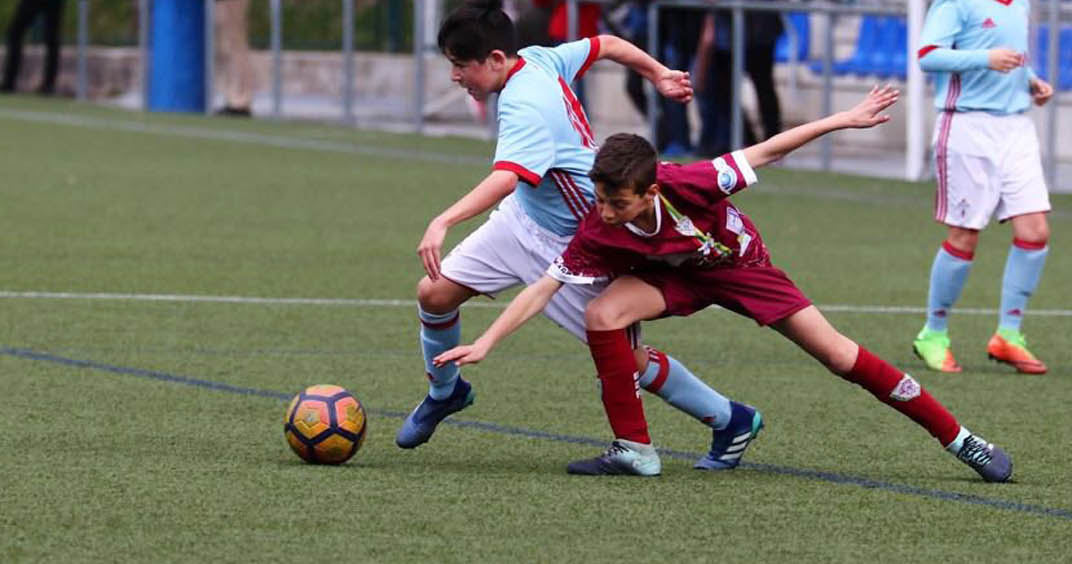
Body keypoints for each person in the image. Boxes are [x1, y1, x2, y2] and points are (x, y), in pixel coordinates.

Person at [434, 86, 1013, 482]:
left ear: (651, 190)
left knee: (839, 355)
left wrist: (843, 119)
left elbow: (770, 148)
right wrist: (488, 341)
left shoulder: (693, 181)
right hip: (673, 279)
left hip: (744, 272)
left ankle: (962, 439)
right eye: (602, 200)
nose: (605, 212)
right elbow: (544, 287)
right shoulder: (598, 228)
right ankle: (635, 450)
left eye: (617, 202)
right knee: (601, 314)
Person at [394, 0, 762, 471]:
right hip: (521, 219)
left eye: (461, 64)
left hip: (576, 244)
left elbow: (506, 176)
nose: (455, 76)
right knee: (435, 293)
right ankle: (446, 393)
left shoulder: (524, 105)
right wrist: (657, 74)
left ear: (497, 59)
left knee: (627, 360)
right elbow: (606, 43)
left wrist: (442, 220)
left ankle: (730, 418)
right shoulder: (538, 60)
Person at [910, 0, 1055, 375]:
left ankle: (1008, 334)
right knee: (964, 235)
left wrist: (1032, 81)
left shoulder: (1021, 2)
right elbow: (928, 56)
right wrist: (985, 59)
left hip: (1016, 129)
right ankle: (933, 333)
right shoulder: (956, 2)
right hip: (966, 129)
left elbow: (1012, 56)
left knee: (1035, 232)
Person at [697, 0, 783, 158]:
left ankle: (774, 141)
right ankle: (750, 141)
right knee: (724, 91)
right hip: (725, 37)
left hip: (756, 35)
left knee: (762, 86)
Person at [649, 0, 701, 156]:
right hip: (678, 35)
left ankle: (691, 141)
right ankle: (680, 140)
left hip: (692, 36)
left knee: (696, 91)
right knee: (677, 90)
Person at [605, 0, 659, 137]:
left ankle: (664, 132)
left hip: (649, 31)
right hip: (632, 32)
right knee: (633, 86)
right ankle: (659, 131)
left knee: (650, 83)